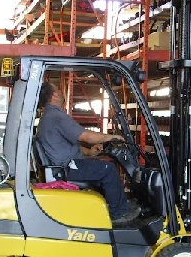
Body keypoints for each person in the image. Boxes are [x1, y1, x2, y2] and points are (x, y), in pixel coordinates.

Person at [35, 82, 141, 224]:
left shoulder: (48, 116)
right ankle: (119, 214)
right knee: (107, 169)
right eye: (58, 90)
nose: (60, 92)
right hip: (65, 168)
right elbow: (85, 136)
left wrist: (90, 152)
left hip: (65, 165)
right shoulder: (56, 116)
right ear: (54, 95)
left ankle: (117, 205)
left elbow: (67, 145)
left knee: (99, 164)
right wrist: (110, 137)